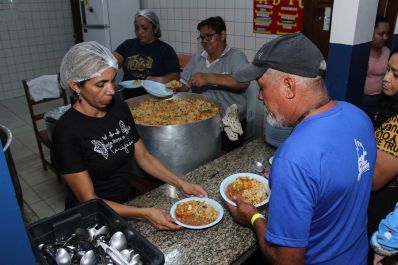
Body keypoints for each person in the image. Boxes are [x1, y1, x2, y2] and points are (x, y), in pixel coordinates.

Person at [226, 33, 377, 264]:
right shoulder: (358, 116)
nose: (259, 96)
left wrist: (254, 217)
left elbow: (286, 260)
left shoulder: (293, 158)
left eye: (262, 87)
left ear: (288, 86)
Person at [52, 41, 207, 230]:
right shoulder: (67, 132)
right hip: (90, 219)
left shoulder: (118, 108)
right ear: (76, 86)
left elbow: (143, 157)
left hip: (123, 205)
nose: (111, 90)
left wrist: (182, 184)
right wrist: (144, 213)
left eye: (112, 80)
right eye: (101, 84)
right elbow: (89, 200)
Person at [179, 16, 250, 152]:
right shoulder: (198, 58)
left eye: (209, 36)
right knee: (204, 157)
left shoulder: (236, 56)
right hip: (202, 121)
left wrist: (208, 77)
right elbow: (183, 84)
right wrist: (167, 86)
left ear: (222, 35)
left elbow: (243, 82)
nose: (205, 41)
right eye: (202, 37)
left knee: (228, 161)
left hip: (230, 123)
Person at [367, 49, 398, 265]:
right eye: (388, 69)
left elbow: (374, 180)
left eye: (396, 75)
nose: (386, 78)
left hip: (385, 202)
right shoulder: (390, 104)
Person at [113, 9, 180, 99]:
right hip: (128, 97)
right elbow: (112, 61)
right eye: (137, 28)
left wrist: (162, 79)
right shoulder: (127, 45)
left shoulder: (166, 50)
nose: (140, 32)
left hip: (153, 99)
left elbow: (175, 76)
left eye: (144, 28)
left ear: (155, 29)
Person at [362, 16, 390, 121]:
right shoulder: (363, 52)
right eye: (381, 34)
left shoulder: (387, 52)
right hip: (364, 98)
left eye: (387, 34)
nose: (385, 37)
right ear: (371, 33)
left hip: (382, 97)